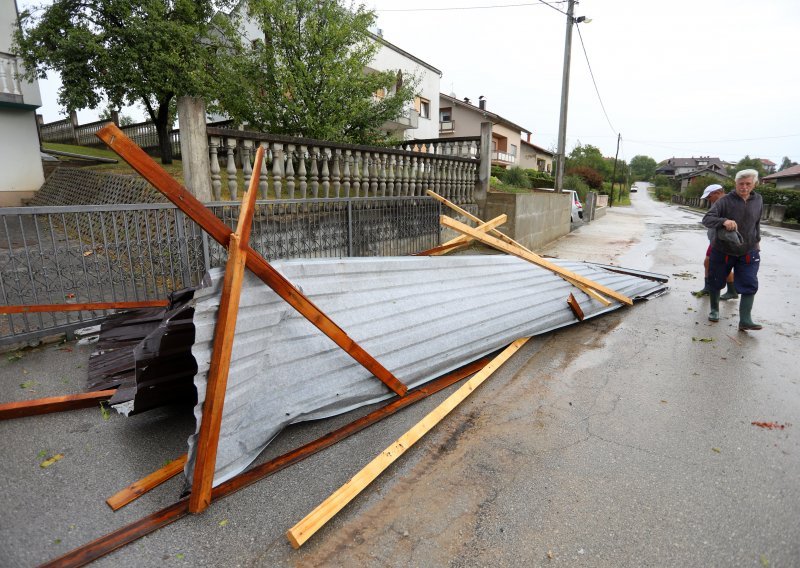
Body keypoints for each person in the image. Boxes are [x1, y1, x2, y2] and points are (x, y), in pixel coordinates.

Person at [702, 169, 763, 330]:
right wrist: (724, 221)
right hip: (723, 249)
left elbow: (757, 223)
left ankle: (745, 320)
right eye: (740, 184)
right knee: (716, 281)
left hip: (749, 250)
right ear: (735, 184)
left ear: (754, 184)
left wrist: (757, 241)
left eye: (748, 184)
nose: (744, 187)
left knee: (750, 283)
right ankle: (714, 311)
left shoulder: (758, 200)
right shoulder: (725, 201)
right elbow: (707, 219)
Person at [693, 184, 738, 299]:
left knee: (722, 267)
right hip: (716, 240)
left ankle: (731, 291)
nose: (709, 200)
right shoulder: (718, 203)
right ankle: (708, 288)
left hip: (724, 241)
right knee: (708, 262)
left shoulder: (729, 202)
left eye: (709, 197)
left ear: (717, 193)